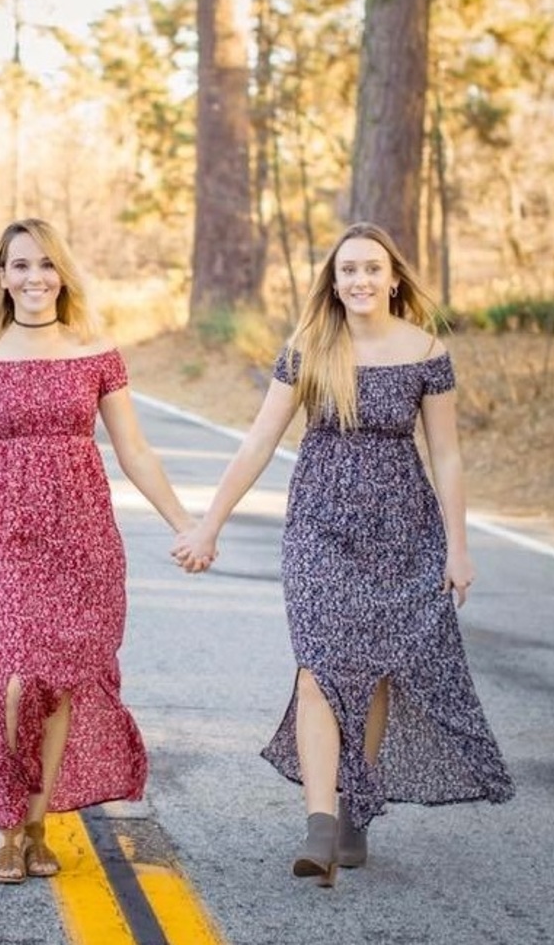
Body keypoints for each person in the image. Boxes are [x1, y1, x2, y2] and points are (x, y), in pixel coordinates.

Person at [171, 220, 514, 888]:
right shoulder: (309, 348)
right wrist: (209, 524)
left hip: (404, 529)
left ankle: (357, 804)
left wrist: (459, 548)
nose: (358, 280)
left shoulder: (425, 350)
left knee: (377, 668)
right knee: (318, 666)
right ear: (333, 282)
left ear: (393, 278)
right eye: (346, 270)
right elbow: (259, 442)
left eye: (370, 269)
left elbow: (446, 454)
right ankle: (320, 823)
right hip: (320, 526)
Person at [0, 217, 198, 885]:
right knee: (13, 682)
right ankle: (6, 826)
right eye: (20, 265)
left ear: (63, 274)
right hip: (0, 535)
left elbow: (133, 448)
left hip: (81, 537)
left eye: (46, 265)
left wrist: (182, 522)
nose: (34, 278)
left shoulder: (97, 350)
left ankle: (38, 827)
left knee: (58, 686)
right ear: (1, 276)